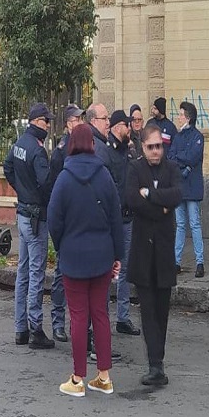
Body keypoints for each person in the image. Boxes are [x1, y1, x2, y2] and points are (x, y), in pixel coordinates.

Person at [48, 124, 124, 397]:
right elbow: (116, 218)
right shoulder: (103, 175)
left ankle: (78, 379)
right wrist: (117, 256)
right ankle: (104, 376)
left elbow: (54, 220)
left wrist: (61, 247)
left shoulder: (64, 179)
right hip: (102, 255)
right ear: (92, 144)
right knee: (101, 314)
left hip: (74, 256)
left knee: (79, 317)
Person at [125, 122, 182, 384]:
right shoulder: (135, 168)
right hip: (143, 251)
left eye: (159, 146)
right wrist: (161, 208)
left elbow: (177, 195)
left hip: (164, 252)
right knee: (147, 310)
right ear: (143, 148)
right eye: (151, 147)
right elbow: (134, 202)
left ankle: (159, 358)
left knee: (162, 310)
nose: (156, 151)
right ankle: (155, 364)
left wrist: (152, 195)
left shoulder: (171, 168)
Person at [4, 103, 55, 349]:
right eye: (46, 121)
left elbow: (8, 168)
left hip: (23, 214)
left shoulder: (18, 144)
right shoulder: (36, 150)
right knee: (36, 274)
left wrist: (22, 191)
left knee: (23, 273)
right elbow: (46, 183)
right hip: (36, 217)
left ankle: (20, 328)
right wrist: (36, 195)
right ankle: (36, 329)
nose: (48, 126)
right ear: (37, 121)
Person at [95, 108, 137, 335]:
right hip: (111, 221)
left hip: (128, 218)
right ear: (116, 127)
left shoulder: (129, 151)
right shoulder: (106, 151)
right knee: (107, 271)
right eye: (126, 125)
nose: (129, 129)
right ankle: (102, 320)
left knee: (126, 269)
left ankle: (123, 317)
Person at [42, 105, 81, 343]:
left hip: (81, 220)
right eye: (77, 119)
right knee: (61, 274)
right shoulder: (60, 152)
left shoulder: (84, 148)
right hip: (66, 222)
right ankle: (57, 321)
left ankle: (78, 323)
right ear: (68, 123)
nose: (80, 122)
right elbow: (53, 191)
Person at [171, 101, 206, 278]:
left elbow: (193, 157)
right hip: (180, 186)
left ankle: (200, 262)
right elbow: (171, 157)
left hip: (192, 187)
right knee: (180, 225)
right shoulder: (177, 137)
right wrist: (181, 160)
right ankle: (176, 262)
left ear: (188, 117)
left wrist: (180, 158)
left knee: (194, 223)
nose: (178, 117)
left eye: (181, 114)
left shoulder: (198, 136)